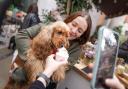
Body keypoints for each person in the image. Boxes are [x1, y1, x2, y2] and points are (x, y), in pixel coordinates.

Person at [28, 56, 125, 89]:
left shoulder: (76, 50)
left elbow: (63, 72)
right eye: (73, 24)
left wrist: (48, 71)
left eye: (80, 30)